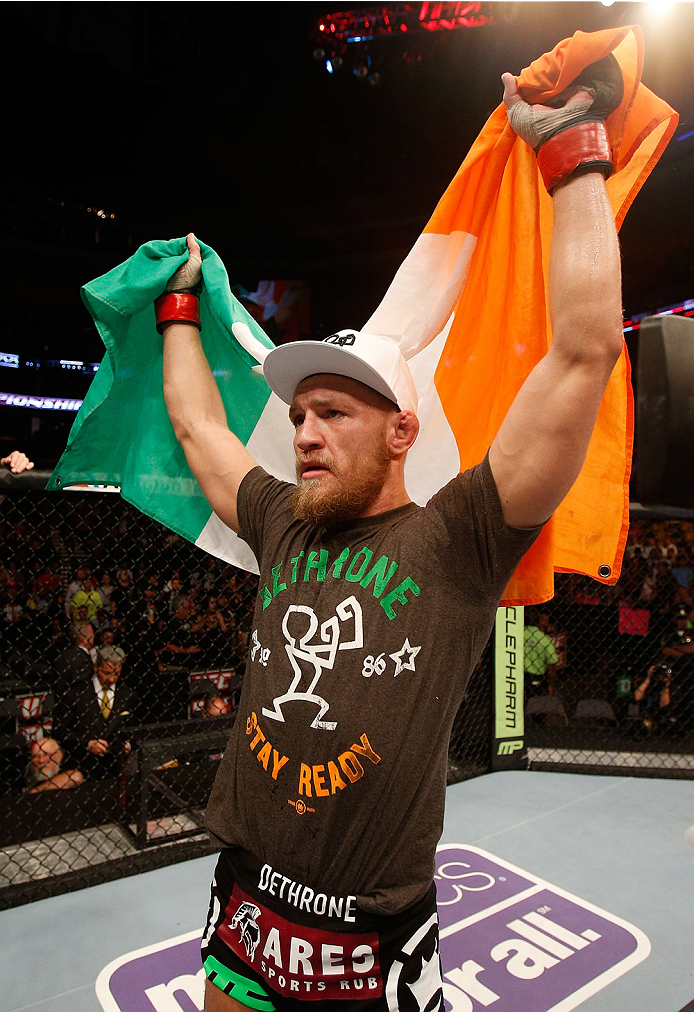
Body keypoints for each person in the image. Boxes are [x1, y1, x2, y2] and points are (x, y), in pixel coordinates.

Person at [159, 62, 624, 1012]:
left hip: (369, 941)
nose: (305, 435)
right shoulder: (282, 521)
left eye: (334, 413)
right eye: (300, 417)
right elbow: (202, 431)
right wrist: (176, 305)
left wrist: (570, 151)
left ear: (402, 431)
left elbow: (584, 352)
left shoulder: (458, 537)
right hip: (245, 903)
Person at [54, 645, 134, 779]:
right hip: (82, 765)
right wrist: (87, 744)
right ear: (96, 667)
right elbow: (60, 729)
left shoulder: (128, 695)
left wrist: (128, 745)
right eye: (107, 673)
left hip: (117, 768)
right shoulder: (76, 693)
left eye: (117, 674)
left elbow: (136, 728)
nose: (112, 679)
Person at [523, 609, 559, 698]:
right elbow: (551, 664)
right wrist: (551, 685)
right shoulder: (545, 640)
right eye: (544, 620)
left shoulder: (518, 633)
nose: (546, 624)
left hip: (517, 676)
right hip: (537, 679)